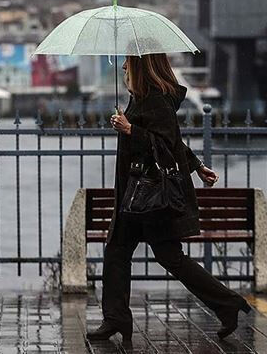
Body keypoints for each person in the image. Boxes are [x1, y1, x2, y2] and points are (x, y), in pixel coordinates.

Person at [87, 53, 250, 344]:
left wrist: (130, 130)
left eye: (128, 61)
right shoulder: (141, 98)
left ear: (142, 65)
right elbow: (173, 141)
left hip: (150, 196)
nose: (124, 66)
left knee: (169, 257)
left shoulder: (157, 100)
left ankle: (227, 303)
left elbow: (163, 144)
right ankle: (116, 318)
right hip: (134, 196)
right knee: (116, 252)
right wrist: (198, 166)